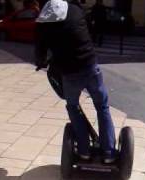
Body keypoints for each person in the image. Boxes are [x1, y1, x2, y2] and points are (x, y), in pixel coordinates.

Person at [35, 0, 116, 163]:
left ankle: (84, 151)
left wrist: (41, 61)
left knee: (72, 106)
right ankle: (108, 153)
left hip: (70, 73)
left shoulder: (44, 22)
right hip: (90, 66)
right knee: (102, 106)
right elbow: (88, 30)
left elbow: (40, 49)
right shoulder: (75, 10)